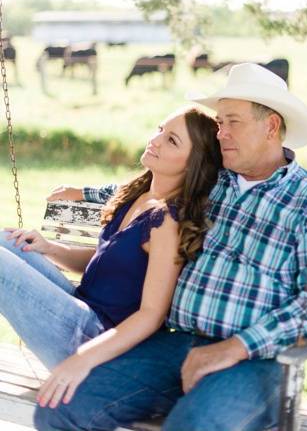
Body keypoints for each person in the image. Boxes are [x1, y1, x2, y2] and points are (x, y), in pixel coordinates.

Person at [34, 63, 307, 431]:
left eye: (233, 122)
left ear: (271, 127)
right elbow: (145, 190)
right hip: (172, 345)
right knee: (59, 406)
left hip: (255, 360)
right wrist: (83, 194)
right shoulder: (211, 183)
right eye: (219, 123)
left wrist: (234, 347)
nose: (221, 134)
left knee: (192, 426)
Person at [0, 107, 221, 409]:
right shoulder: (140, 195)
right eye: (159, 129)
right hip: (79, 308)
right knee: (6, 241)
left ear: (193, 163)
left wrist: (81, 360)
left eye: (171, 141)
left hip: (91, 341)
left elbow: (151, 315)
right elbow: (107, 259)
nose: (155, 140)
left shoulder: (168, 221)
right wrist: (50, 248)